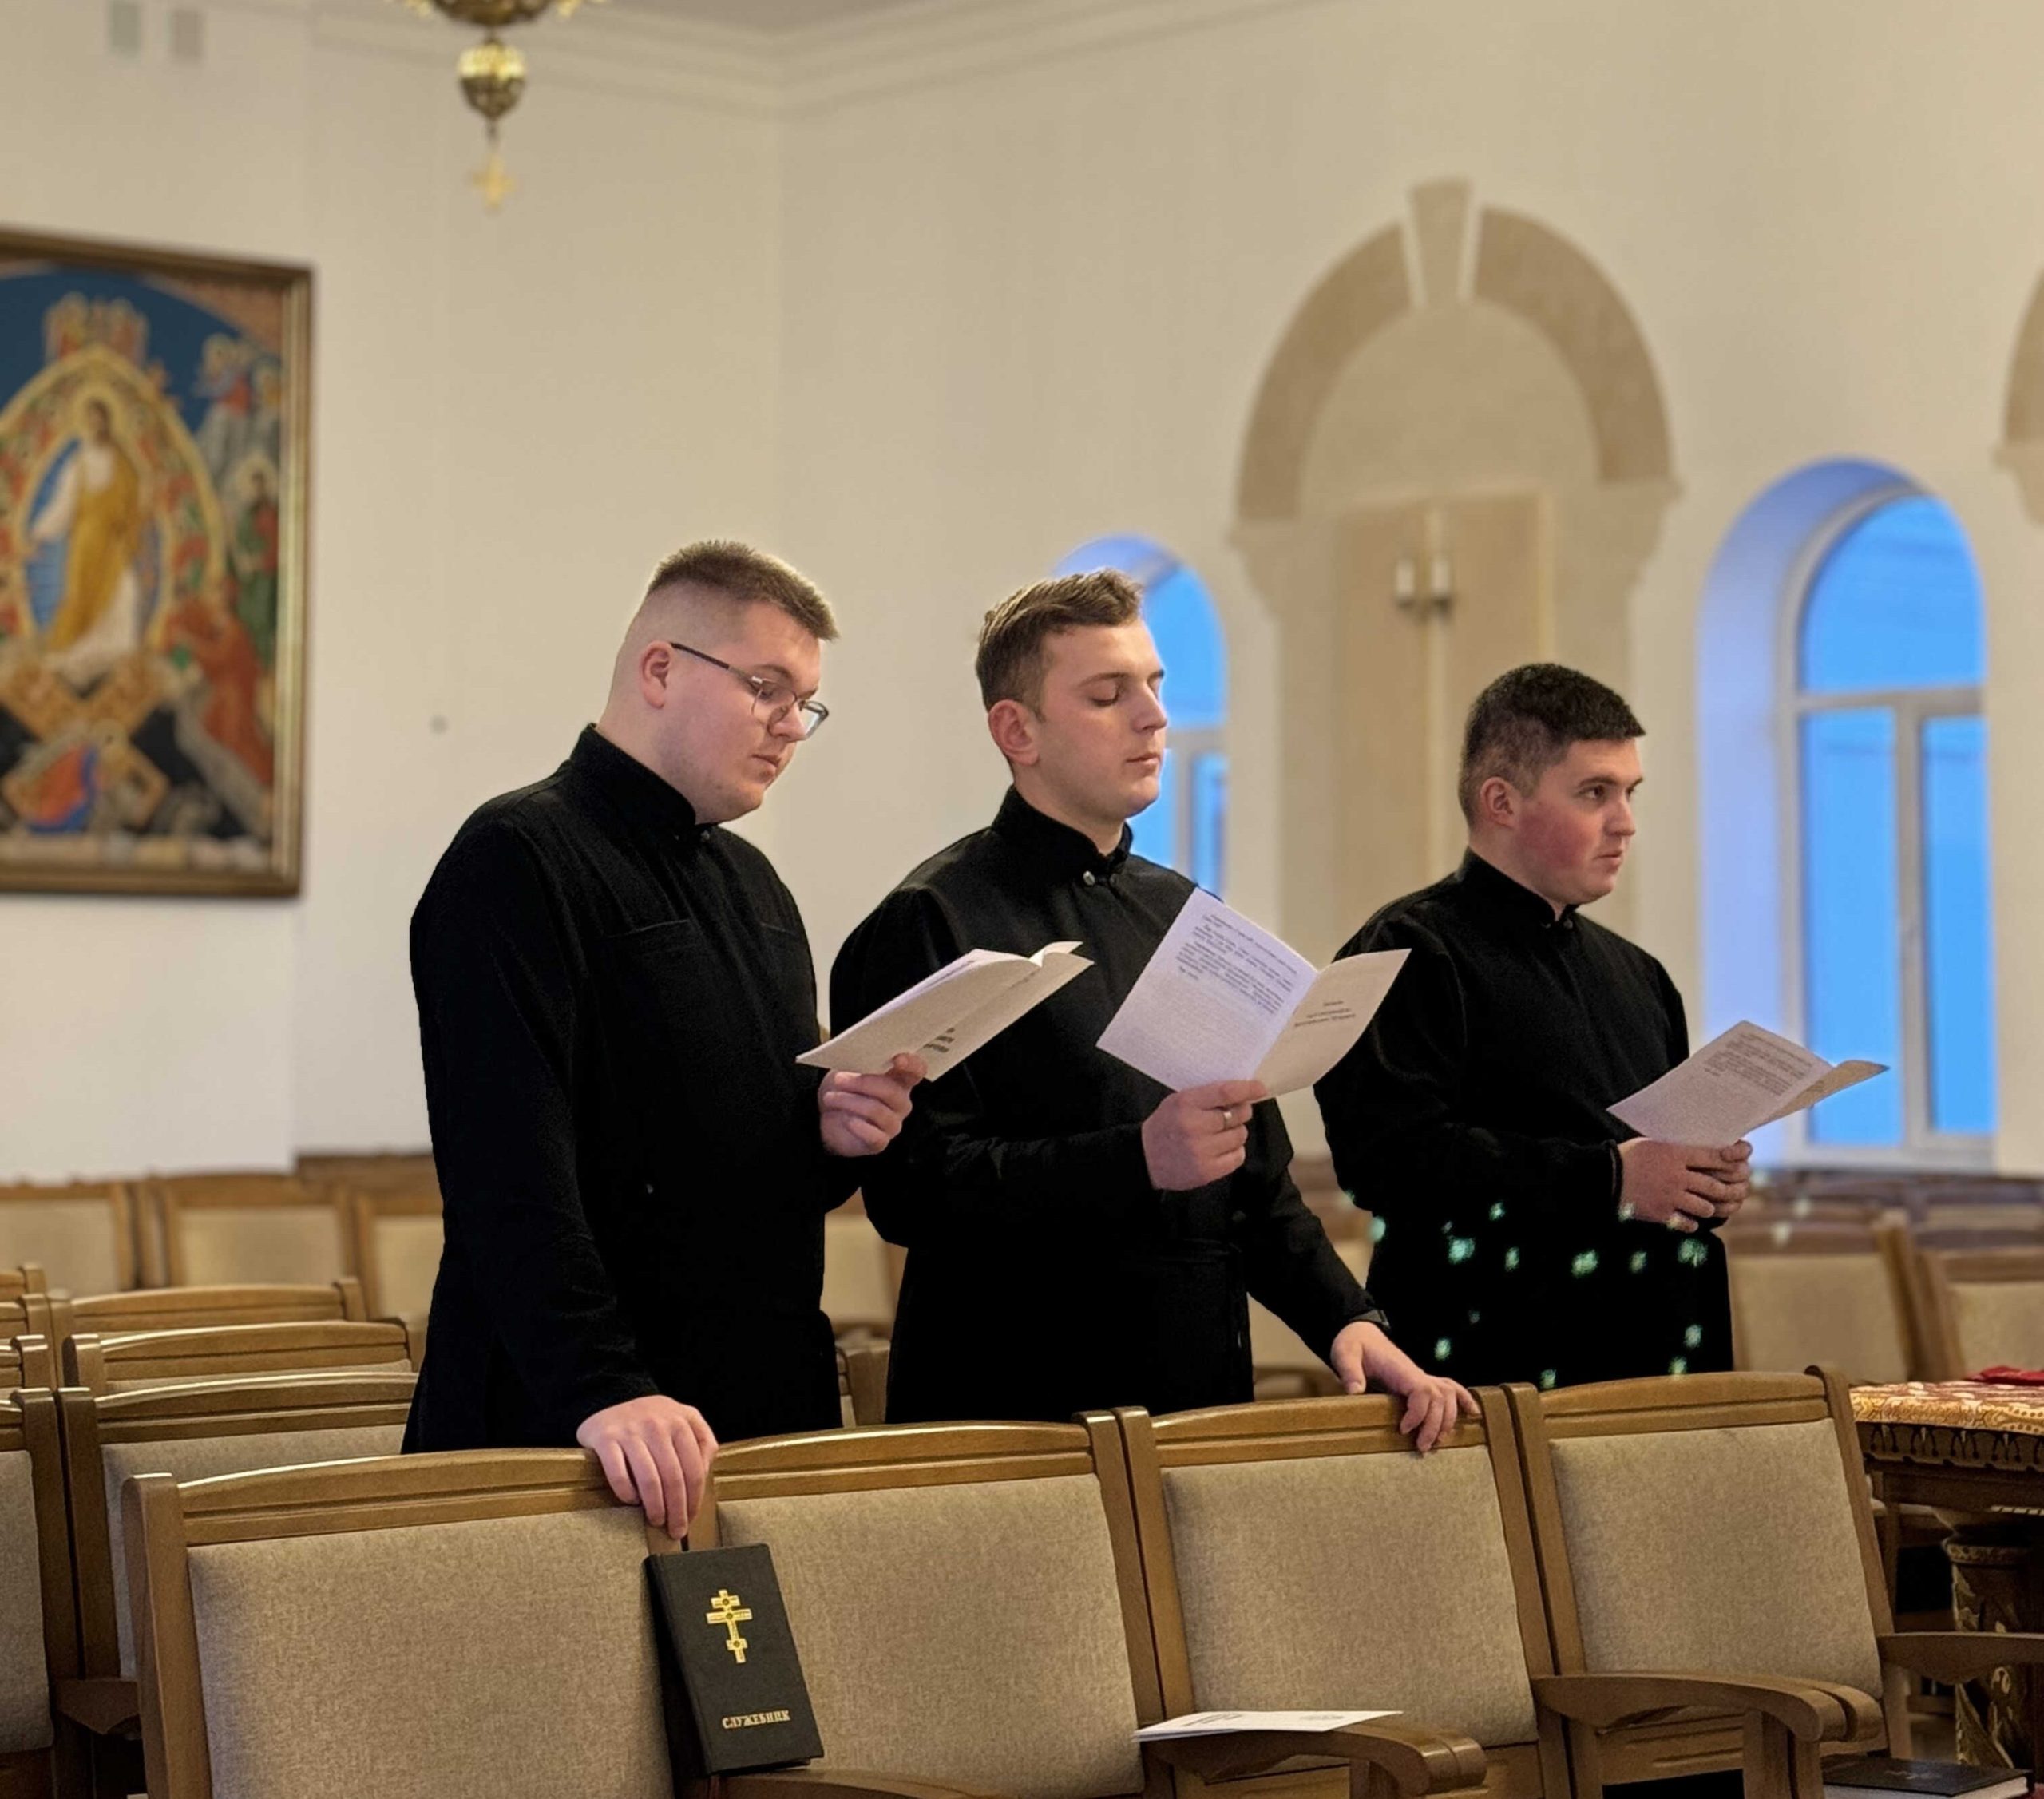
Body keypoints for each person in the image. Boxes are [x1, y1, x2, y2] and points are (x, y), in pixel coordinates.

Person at [831, 570, 1472, 1449]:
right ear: (1017, 731)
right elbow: (916, 1191)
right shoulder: (933, 918)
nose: (1154, 717)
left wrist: (1348, 1321)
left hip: (1194, 1400)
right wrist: (1135, 1158)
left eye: (1155, 686)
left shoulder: (1182, 913)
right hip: (1017, 1411)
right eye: (1108, 695)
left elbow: (1254, 1178)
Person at [404, 540, 923, 1529]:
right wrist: (601, 1385)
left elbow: (741, 1163)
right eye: (766, 688)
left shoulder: (757, 888)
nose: (790, 727)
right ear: (659, 670)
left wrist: (832, 1131)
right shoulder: (516, 857)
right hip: (584, 1427)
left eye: (805, 704)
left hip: (758, 1408)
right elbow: (505, 1169)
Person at [1314, 663, 1750, 1393]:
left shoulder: (1641, 975)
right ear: (1502, 802)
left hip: (1656, 1357)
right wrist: (1613, 1178)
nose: (1625, 821)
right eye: (1595, 793)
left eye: (1630, 792)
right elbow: (1390, 1160)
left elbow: (1654, 1163)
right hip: (1485, 1368)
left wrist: (1703, 1182)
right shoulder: (1408, 949)